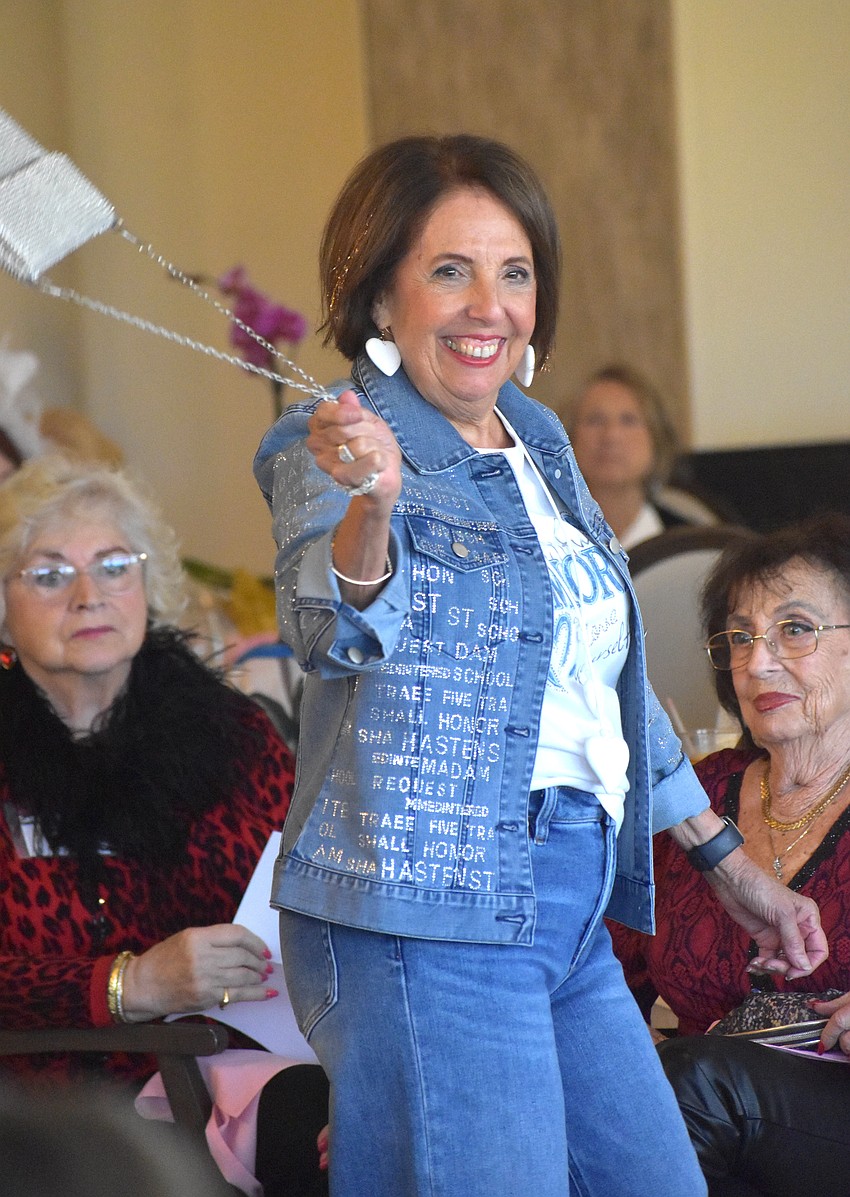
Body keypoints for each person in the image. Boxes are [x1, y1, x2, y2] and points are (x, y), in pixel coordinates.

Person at [252, 133, 826, 1197]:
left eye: (512, 272)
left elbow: (599, 683)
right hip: (426, 909)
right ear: (382, 296)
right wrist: (373, 504)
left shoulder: (538, 439)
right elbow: (328, 630)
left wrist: (727, 866)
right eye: (448, 270)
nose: (488, 306)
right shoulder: (323, 440)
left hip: (567, 900)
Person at [0, 455, 328, 1197]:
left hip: (253, 1065)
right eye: (50, 574)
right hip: (55, 1112)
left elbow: (311, 885)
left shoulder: (232, 732)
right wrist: (131, 981)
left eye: (114, 565)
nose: (89, 595)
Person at [607, 512, 850, 1195]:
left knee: (691, 1084)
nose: (756, 660)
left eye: (794, 629)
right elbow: (595, 969)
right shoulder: (694, 796)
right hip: (692, 1116)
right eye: (739, 637)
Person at [567, 364, 719, 549]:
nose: (611, 435)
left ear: (656, 438)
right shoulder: (543, 538)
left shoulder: (692, 543)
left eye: (628, 420)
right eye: (595, 420)